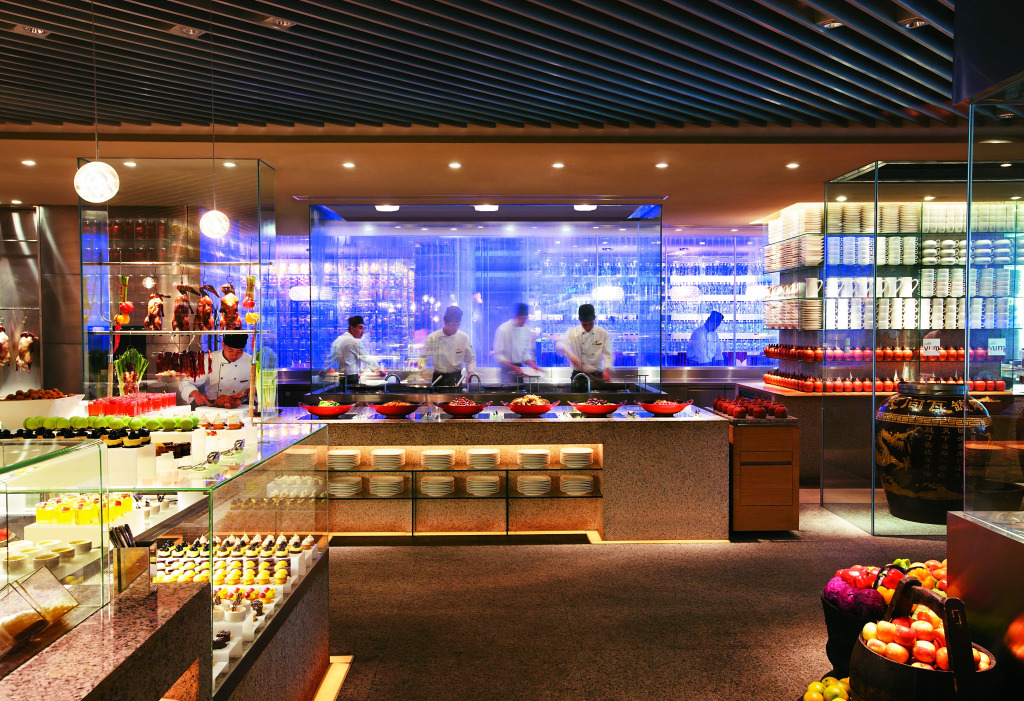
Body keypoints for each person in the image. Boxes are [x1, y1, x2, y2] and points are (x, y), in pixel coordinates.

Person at [179, 333, 252, 408]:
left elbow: (258, 387)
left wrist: (254, 390)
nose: (234, 355)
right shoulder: (209, 360)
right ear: (223, 345)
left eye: (239, 352)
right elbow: (186, 383)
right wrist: (196, 394)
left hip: (242, 407)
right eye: (230, 351)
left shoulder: (251, 361)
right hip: (213, 406)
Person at [557, 303, 613, 390]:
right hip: (579, 376)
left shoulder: (603, 333)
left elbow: (608, 354)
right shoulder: (573, 332)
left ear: (595, 318)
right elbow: (560, 344)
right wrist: (569, 353)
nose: (588, 327)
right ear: (579, 319)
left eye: (590, 324)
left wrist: (607, 370)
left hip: (597, 376)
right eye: (584, 324)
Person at [421, 305, 477, 386]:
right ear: (445, 322)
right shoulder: (433, 338)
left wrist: (470, 372)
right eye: (453, 325)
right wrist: (421, 371)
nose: (456, 328)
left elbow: (470, 358)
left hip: (456, 379)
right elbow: (424, 358)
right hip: (438, 379)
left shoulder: (463, 338)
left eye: (458, 325)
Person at [329, 315, 384, 387]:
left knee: (344, 393)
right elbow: (366, 358)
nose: (362, 332)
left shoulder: (338, 340)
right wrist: (379, 370)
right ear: (352, 328)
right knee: (352, 394)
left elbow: (331, 357)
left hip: (341, 378)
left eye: (363, 328)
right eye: (360, 328)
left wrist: (324, 370)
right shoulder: (355, 342)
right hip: (352, 378)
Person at [493, 303, 540, 385]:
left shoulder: (526, 330)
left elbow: (525, 354)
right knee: (506, 392)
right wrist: (512, 367)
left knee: (520, 392)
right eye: (521, 318)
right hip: (506, 370)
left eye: (525, 318)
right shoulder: (503, 329)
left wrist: (533, 365)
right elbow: (498, 355)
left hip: (519, 370)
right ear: (515, 316)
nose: (523, 321)